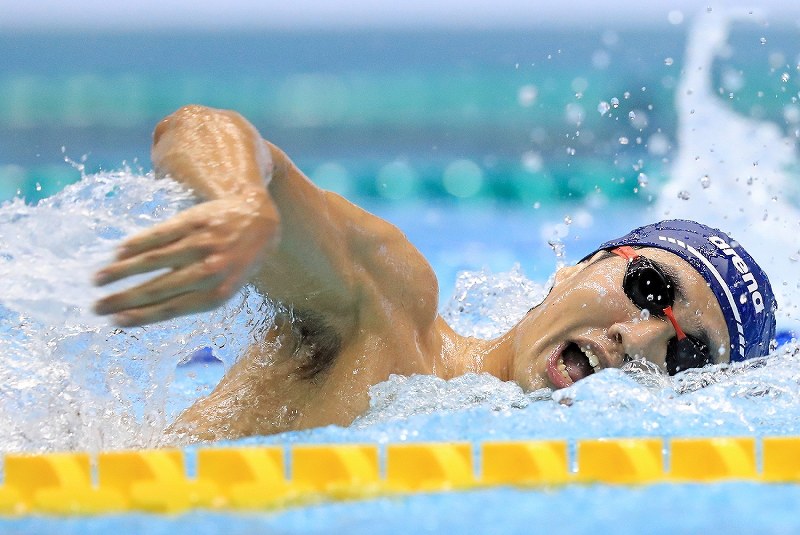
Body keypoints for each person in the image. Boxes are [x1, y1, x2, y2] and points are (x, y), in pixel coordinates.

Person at [92, 105, 777, 442]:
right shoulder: (386, 317)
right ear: (578, 266)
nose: (640, 338)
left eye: (687, 355)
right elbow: (195, 128)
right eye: (650, 288)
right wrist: (240, 198)